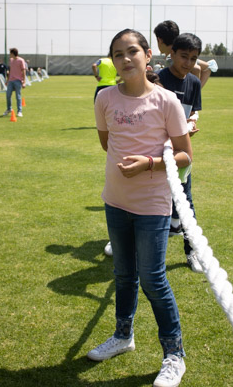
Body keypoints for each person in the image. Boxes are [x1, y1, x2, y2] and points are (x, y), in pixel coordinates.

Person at [88, 28, 192, 387]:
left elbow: (184, 157)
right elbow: (108, 144)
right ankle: (123, 336)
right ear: (112, 62)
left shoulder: (167, 101)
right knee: (123, 274)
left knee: (153, 279)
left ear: (148, 56)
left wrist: (148, 163)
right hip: (115, 201)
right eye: (118, 54)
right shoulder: (104, 98)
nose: (125, 58)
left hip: (153, 205)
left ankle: (174, 355)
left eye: (132, 51)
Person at [158, 33, 203, 274]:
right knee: (149, 203)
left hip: (181, 154)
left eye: (193, 58)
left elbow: (194, 111)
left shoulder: (194, 82)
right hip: (157, 153)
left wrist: (191, 123)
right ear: (172, 53)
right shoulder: (158, 80)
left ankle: (191, 251)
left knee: (186, 202)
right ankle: (128, 244)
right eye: (183, 56)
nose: (188, 63)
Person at [153, 20, 218, 88]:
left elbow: (197, 68)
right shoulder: (179, 55)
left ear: (159, 40)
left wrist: (194, 91)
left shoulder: (172, 57)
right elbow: (209, 66)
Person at [3, 48, 26, 118]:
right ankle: (9, 109)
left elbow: (23, 71)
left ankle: (19, 111)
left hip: (18, 81)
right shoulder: (11, 60)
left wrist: (24, 81)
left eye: (10, 53)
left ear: (13, 53)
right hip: (10, 81)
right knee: (8, 95)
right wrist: (7, 80)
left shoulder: (21, 60)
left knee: (18, 96)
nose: (9, 54)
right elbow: (10, 71)